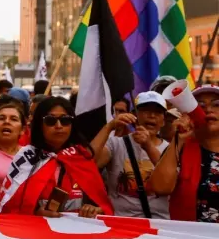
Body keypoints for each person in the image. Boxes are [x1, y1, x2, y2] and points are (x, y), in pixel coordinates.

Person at [0, 96, 113, 218]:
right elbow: (11, 206)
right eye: (50, 120)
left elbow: (103, 206)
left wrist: (95, 210)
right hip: (35, 232)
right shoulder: (27, 157)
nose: (59, 125)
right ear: (39, 125)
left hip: (77, 233)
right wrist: (36, 213)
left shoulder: (81, 158)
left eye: (65, 120)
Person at [91, 91, 169, 219]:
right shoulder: (116, 144)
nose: (152, 115)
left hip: (158, 225)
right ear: (134, 115)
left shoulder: (170, 149)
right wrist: (109, 126)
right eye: (145, 110)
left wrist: (148, 145)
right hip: (120, 223)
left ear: (164, 120)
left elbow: (170, 184)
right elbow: (89, 163)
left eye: (158, 112)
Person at [150, 85, 219, 222]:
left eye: (216, 104)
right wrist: (179, 139)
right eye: (201, 105)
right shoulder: (181, 147)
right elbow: (160, 187)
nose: (209, 109)